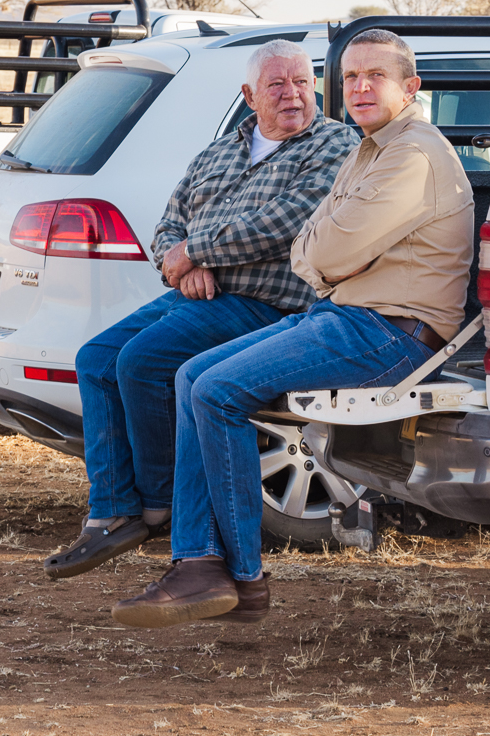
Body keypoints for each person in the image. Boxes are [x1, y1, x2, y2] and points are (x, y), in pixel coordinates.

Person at [111, 28, 474, 627]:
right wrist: (320, 250)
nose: (358, 87)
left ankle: (239, 578)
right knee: (193, 375)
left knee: (216, 391)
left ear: (410, 87)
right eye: (349, 76)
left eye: (375, 76)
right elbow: (318, 241)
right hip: (345, 314)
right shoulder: (369, 147)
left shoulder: (410, 155)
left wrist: (319, 251)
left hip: (390, 331)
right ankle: (200, 565)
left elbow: (318, 253)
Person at [43, 40, 360, 581]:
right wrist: (182, 262)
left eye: (303, 83)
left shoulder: (333, 143)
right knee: (95, 357)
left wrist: (196, 251)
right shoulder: (218, 151)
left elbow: (287, 221)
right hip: (198, 292)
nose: (294, 95)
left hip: (267, 301)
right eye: (277, 85)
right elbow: (168, 224)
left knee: (141, 361)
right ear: (249, 95)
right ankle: (113, 509)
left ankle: (157, 503)